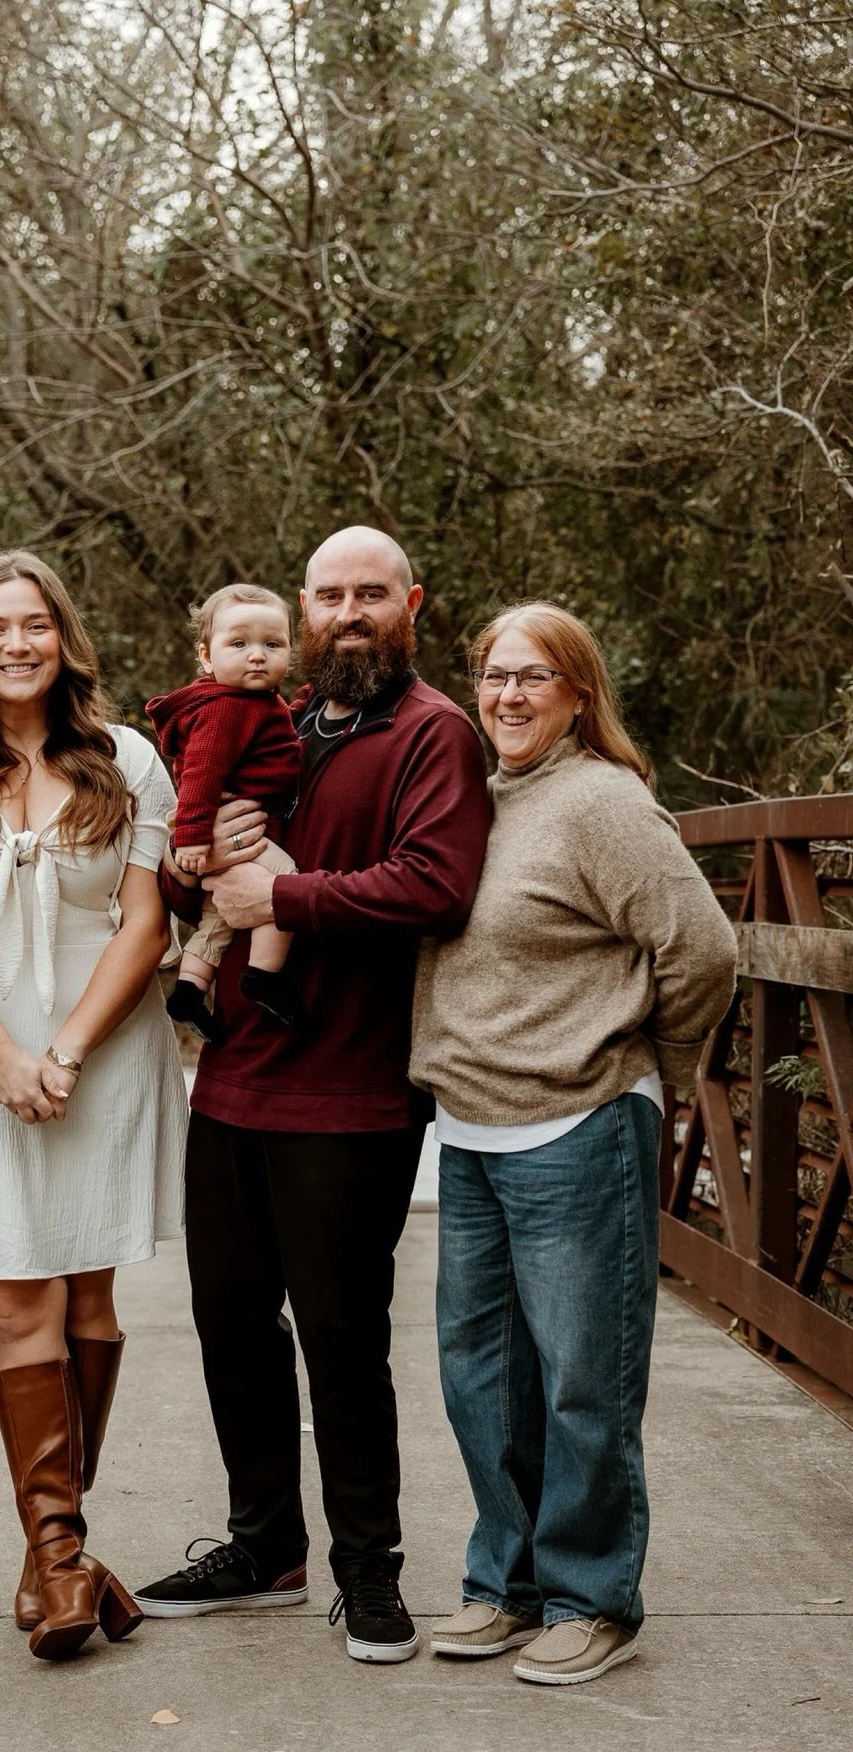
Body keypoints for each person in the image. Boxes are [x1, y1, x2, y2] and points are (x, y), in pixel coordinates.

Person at [137, 526, 490, 1664]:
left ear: (410, 604)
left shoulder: (433, 733)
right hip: (233, 1075)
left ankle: (369, 1573)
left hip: (353, 1092)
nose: (349, 611)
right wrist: (200, 859)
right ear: (302, 611)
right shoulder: (278, 722)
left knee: (342, 1336)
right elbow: (195, 847)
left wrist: (283, 900)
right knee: (230, 1322)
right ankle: (264, 1545)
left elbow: (434, 886)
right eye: (329, 594)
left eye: (370, 594)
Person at [410, 602, 736, 1686]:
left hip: (578, 1123)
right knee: (480, 1378)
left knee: (583, 1382)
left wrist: (651, 1066)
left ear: (578, 694)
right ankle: (505, 1585)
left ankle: (591, 1597)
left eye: (534, 677)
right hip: (471, 1130)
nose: (507, 696)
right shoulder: (476, 799)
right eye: (494, 676)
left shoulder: (600, 801)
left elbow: (702, 949)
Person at [0, 549, 186, 1662]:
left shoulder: (131, 762)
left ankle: (52, 1558)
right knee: (23, 1307)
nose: (17, 643)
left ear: (65, 637)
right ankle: (63, 1561)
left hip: (103, 1059)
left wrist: (60, 1050)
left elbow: (146, 925)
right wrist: (6, 1056)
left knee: (92, 1295)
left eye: (37, 624)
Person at [145, 583, 303, 1039]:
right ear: (206, 656)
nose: (257, 655)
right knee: (283, 889)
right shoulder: (224, 710)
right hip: (236, 833)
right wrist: (191, 837)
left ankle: (190, 991)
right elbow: (200, 776)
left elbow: (273, 733)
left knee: (219, 918)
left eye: (272, 645)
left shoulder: (252, 702)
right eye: (239, 644)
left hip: (236, 838)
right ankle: (263, 978)